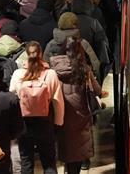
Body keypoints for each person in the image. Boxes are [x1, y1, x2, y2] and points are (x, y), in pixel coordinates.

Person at [9, 42, 64, 174]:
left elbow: (12, 98)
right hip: (45, 122)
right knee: (49, 162)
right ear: (41, 54)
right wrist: (58, 123)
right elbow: (58, 101)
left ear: (26, 55)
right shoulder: (50, 74)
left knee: (26, 161)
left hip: (24, 124)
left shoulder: (18, 74)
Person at [50, 36, 102, 174]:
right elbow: (97, 90)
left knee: (67, 148)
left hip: (63, 115)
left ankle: (68, 169)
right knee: (79, 150)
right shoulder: (84, 69)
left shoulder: (54, 70)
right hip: (82, 115)